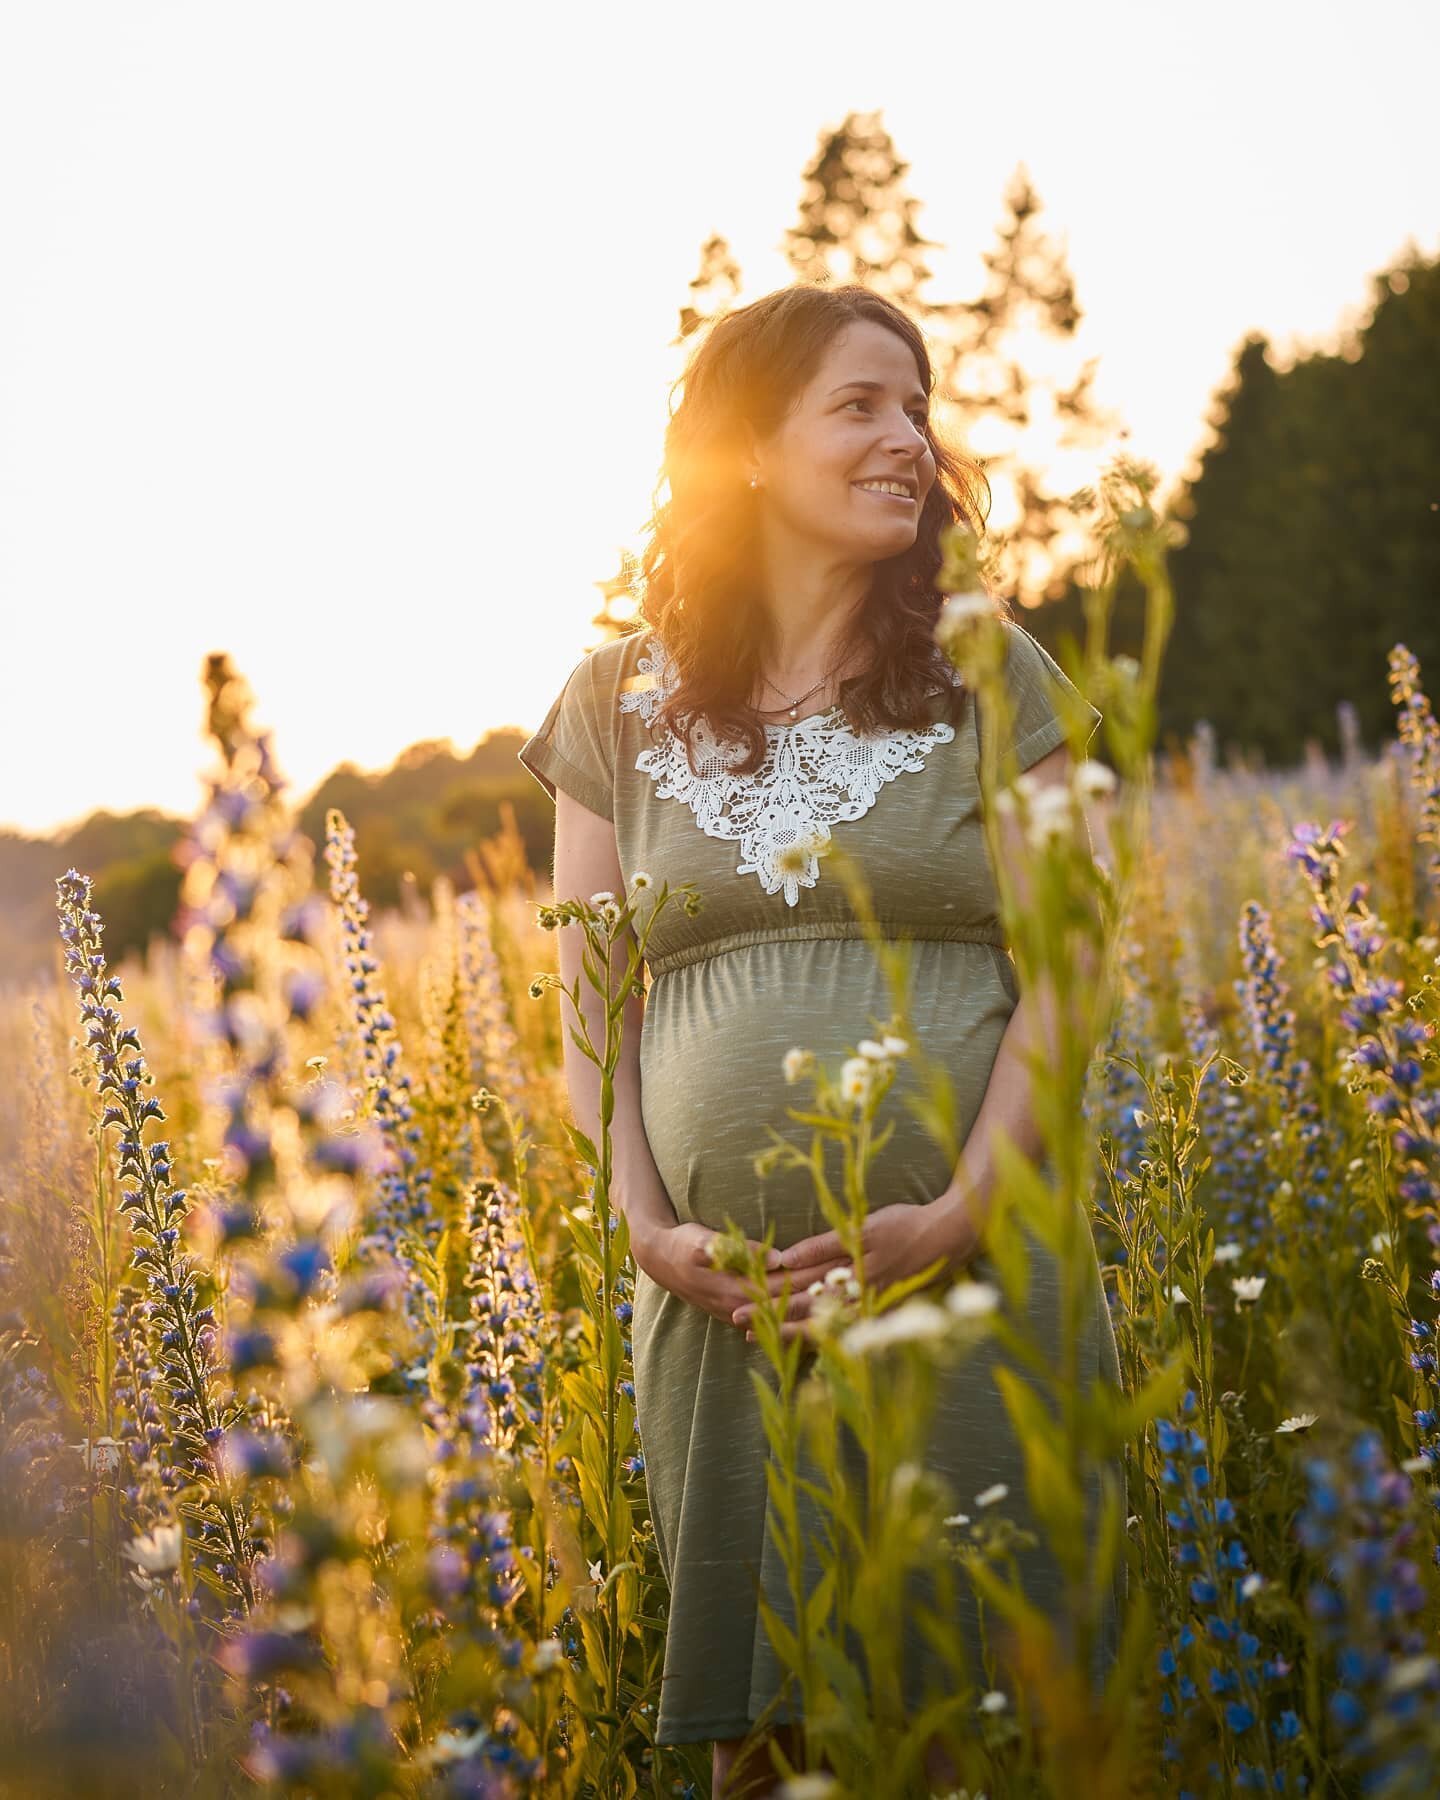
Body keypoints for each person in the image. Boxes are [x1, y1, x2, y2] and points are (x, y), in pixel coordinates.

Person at [518, 283, 1122, 1796]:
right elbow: (592, 998)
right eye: (860, 406)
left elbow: (1074, 964)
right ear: (743, 451)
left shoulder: (997, 671)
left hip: (975, 1277)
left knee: (988, 1716)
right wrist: (647, 1228)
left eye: (917, 408)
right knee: (770, 1746)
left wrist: (961, 1213)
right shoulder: (611, 704)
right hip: (726, 1314)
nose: (908, 439)